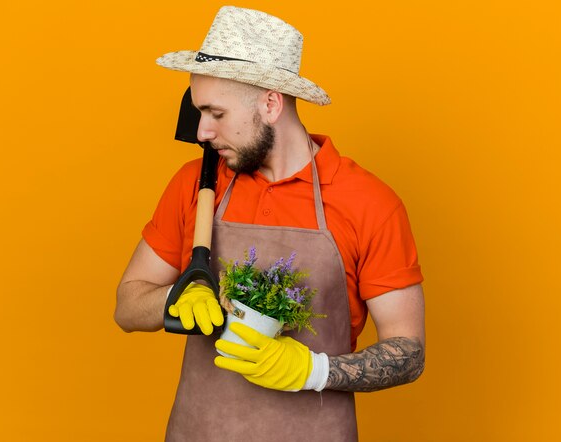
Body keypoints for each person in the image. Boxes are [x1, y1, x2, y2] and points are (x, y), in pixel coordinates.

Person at [115, 6, 425, 441]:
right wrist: (173, 297)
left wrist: (313, 370)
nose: (202, 131)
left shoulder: (368, 202)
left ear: (271, 103)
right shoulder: (196, 184)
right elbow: (126, 306)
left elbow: (408, 351)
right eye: (198, 111)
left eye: (216, 114)